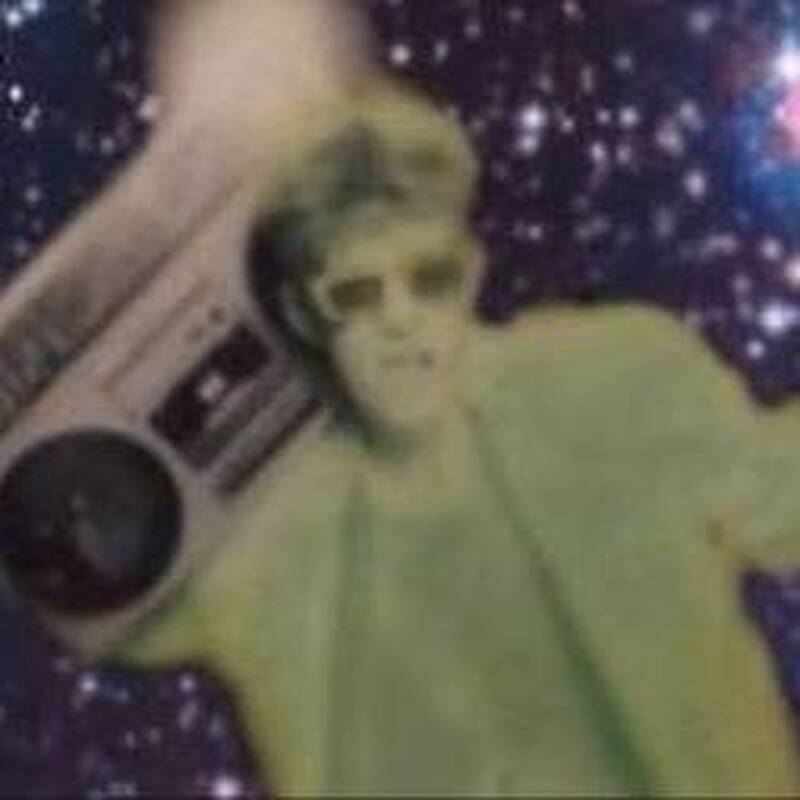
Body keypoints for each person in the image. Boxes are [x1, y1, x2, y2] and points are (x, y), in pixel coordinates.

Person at [111, 82, 800, 795]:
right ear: (304, 314)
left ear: (471, 272)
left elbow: (782, 495)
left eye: (430, 278)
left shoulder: (615, 387)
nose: (400, 318)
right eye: (357, 292)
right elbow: (101, 593)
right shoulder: (265, 528)